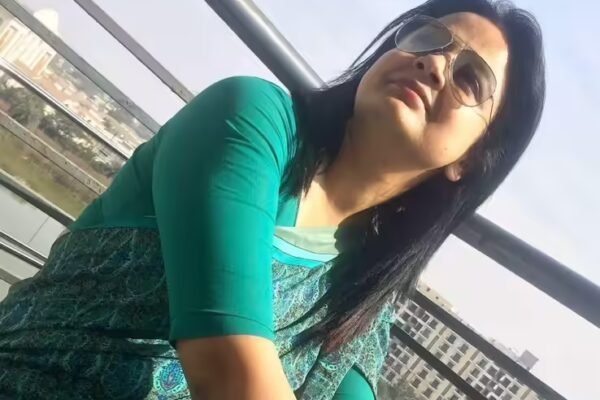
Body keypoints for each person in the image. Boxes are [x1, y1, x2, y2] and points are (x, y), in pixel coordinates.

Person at [0, 0, 545, 398]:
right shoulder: (252, 120)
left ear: (469, 161)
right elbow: (227, 368)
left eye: (471, 80)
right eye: (427, 38)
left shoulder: (363, 293)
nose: (435, 63)